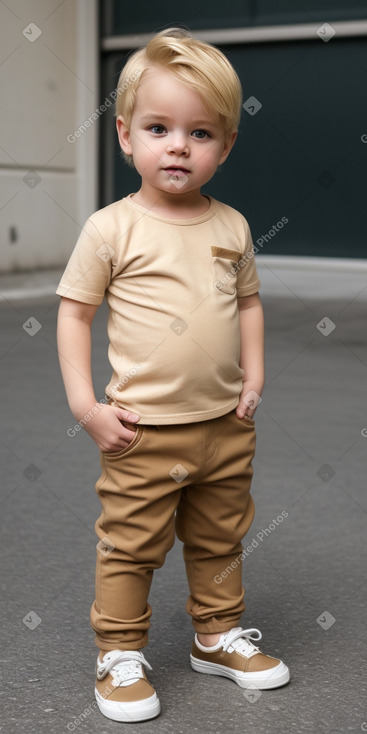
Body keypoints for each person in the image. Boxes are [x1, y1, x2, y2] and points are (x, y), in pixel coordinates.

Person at [56, 27, 290, 724]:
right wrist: (84, 406)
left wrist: (254, 373)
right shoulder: (110, 230)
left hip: (223, 426)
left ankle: (215, 635)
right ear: (125, 136)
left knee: (220, 536)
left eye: (200, 132)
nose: (179, 146)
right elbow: (74, 315)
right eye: (159, 128)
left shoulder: (233, 227)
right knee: (130, 547)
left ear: (225, 145)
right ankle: (119, 651)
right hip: (140, 432)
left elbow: (247, 303)